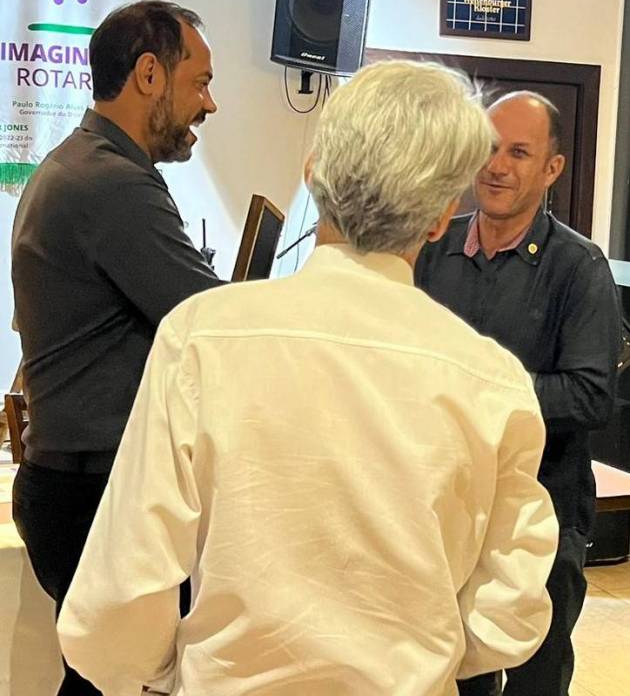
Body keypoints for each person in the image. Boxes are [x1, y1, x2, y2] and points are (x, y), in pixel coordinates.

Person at [58, 61, 558, 696]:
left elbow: (119, 593)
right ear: (440, 219)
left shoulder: (202, 339)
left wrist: (171, 675)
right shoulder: (492, 381)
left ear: (313, 173)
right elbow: (511, 611)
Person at [11, 0, 223, 696]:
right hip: (93, 493)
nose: (209, 104)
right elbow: (209, 322)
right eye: (200, 83)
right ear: (149, 74)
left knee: (103, 681)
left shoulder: (80, 166)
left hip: (74, 487)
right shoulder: (111, 182)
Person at [415, 91, 622, 696]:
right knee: (454, 675)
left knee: (537, 677)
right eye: (489, 148)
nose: (497, 166)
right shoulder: (431, 250)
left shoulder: (580, 268)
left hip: (542, 518)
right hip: (445, 512)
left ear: (552, 169)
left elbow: (590, 396)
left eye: (519, 153)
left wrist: (480, 391)